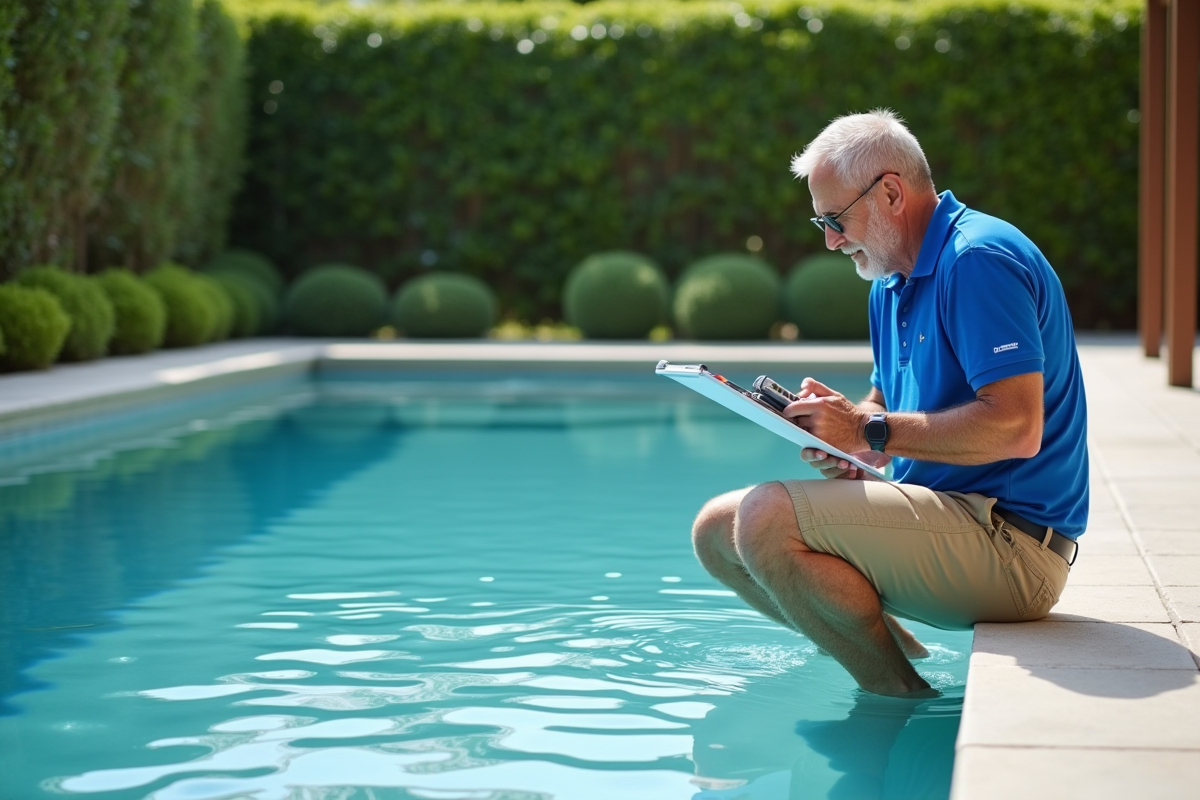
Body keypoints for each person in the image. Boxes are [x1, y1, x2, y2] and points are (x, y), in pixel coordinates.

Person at [691, 109, 1088, 697]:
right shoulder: (890, 280)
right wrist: (841, 431)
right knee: (716, 532)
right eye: (819, 220)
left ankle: (898, 697)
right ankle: (901, 657)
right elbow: (883, 404)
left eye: (835, 218)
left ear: (892, 193)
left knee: (765, 518)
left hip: (1014, 548)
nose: (829, 239)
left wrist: (867, 430)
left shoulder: (977, 261)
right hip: (943, 515)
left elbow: (1015, 427)